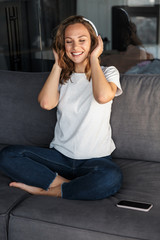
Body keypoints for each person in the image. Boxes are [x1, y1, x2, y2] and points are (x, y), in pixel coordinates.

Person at [0, 15, 122, 200]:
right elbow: (46, 103)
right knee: (8, 155)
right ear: (62, 45)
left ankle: (47, 190)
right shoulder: (62, 77)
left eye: (82, 40)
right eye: (68, 42)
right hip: (60, 157)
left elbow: (103, 96)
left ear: (94, 42)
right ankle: (68, 186)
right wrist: (57, 65)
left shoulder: (108, 72)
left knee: (111, 178)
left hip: (96, 159)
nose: (75, 47)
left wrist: (94, 59)